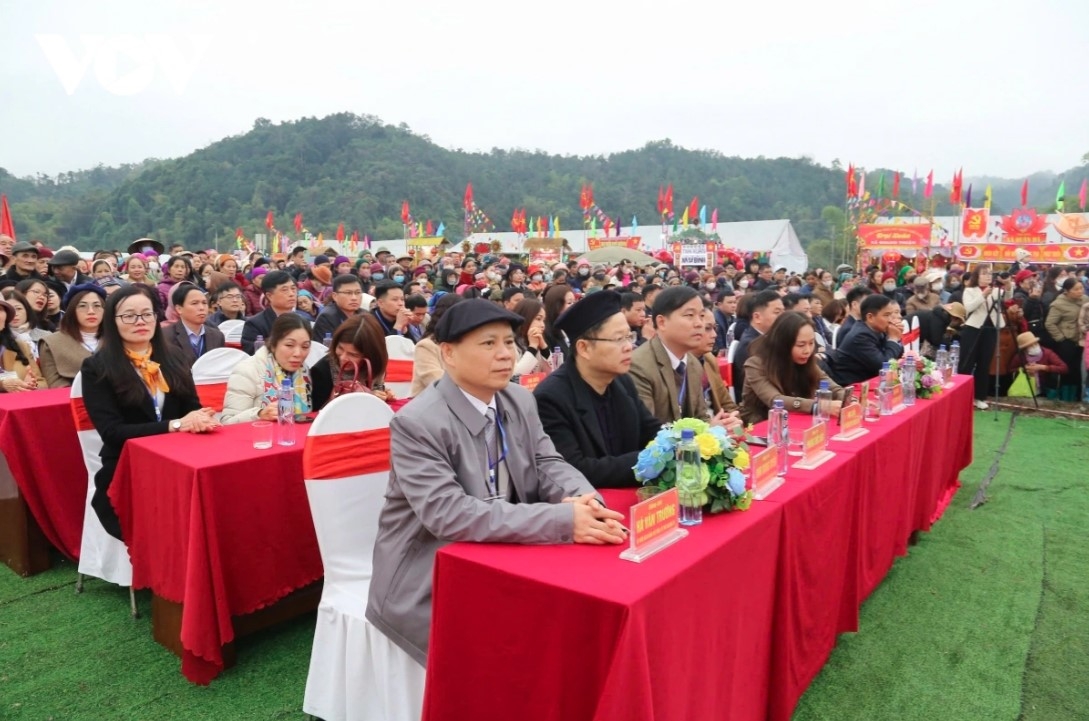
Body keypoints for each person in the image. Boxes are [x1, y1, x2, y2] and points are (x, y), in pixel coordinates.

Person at [366, 299, 627, 666]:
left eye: (509, 342)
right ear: (448, 354)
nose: (505, 354)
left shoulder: (518, 399)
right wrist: (561, 521)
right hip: (431, 567)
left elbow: (547, 462)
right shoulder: (417, 423)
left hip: (503, 547)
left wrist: (584, 500)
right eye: (489, 344)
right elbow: (448, 514)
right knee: (510, 644)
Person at [80, 286, 217, 538]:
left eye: (146, 314)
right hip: (126, 464)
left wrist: (199, 418)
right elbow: (112, 432)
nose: (140, 321)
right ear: (113, 321)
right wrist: (175, 425)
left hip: (179, 459)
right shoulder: (96, 367)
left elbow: (192, 407)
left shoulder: (173, 356)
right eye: (129, 315)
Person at [533, 291, 661, 487]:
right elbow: (574, 468)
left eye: (630, 336)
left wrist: (683, 440)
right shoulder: (551, 397)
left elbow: (651, 430)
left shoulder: (622, 382)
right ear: (584, 348)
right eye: (619, 339)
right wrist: (649, 460)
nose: (629, 347)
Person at [629, 286, 741, 427]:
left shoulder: (693, 363)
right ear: (662, 322)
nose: (699, 323)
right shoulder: (639, 366)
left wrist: (720, 427)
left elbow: (700, 417)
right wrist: (707, 432)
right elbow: (647, 433)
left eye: (701, 316)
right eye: (689, 315)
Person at [741, 311, 849, 425]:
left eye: (811, 343)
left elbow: (833, 388)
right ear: (782, 344)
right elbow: (775, 400)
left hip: (797, 420)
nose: (807, 350)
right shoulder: (755, 365)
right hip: (761, 424)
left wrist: (849, 399)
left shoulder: (806, 361)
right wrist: (818, 406)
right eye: (801, 345)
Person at [222, 313, 313, 424]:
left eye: (305, 346)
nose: (298, 354)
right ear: (274, 345)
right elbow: (227, 421)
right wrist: (259, 414)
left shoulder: (303, 371)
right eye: (289, 345)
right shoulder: (248, 370)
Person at [311, 313, 393, 410]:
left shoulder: (374, 366)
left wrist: (382, 395)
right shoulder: (322, 371)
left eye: (353, 354)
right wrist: (365, 398)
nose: (343, 357)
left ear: (370, 355)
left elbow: (377, 390)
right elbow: (316, 414)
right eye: (340, 348)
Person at [828, 294, 904, 386]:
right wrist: (893, 338)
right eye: (887, 315)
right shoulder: (861, 336)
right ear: (870, 317)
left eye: (892, 315)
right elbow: (884, 366)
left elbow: (897, 356)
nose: (891, 320)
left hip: (869, 382)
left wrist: (896, 337)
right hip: (851, 387)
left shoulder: (878, 329)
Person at [38, 284, 105, 388]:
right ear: (71, 311)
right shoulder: (51, 343)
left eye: (97, 306)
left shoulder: (118, 339)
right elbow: (56, 384)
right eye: (82, 306)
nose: (91, 311)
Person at [959, 265, 1006, 409]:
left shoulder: (995, 290)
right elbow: (969, 308)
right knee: (967, 362)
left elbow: (1007, 297)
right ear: (976, 276)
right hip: (973, 328)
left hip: (990, 328)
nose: (988, 276)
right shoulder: (969, 290)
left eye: (990, 274)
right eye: (984, 274)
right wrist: (983, 295)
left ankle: (980, 397)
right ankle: (962, 394)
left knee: (984, 363)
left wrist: (1008, 285)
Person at [731, 289, 784, 399]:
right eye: (777, 312)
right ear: (757, 317)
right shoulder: (751, 345)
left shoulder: (768, 338)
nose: (783, 317)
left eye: (783, 312)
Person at [1043, 277, 1086, 399]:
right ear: (1067, 291)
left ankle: (1076, 396)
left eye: (1081, 288)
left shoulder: (1085, 300)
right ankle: (1064, 397)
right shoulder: (1058, 304)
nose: (1080, 291)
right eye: (1076, 289)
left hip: (1082, 341)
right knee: (1067, 369)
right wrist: (1061, 338)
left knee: (1078, 370)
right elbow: (1049, 323)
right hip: (1067, 342)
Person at [165, 283, 225, 366]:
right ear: (179, 309)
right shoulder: (166, 336)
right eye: (194, 303)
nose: (201, 307)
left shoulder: (217, 336)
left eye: (204, 303)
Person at [241, 270, 299, 354]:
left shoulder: (302, 321)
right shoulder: (255, 324)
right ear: (269, 296)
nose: (291, 294)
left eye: (293, 288)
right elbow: (252, 355)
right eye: (285, 290)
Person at [1009, 331, 1067, 396]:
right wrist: (1024, 369)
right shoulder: (1020, 356)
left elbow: (1063, 368)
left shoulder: (1048, 353)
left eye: (1035, 344)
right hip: (1026, 388)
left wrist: (1043, 367)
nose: (1034, 347)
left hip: (1045, 388)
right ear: (1024, 348)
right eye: (1030, 346)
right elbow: (1011, 370)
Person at [512, 298, 552, 376]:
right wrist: (532, 347)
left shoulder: (535, 341)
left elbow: (552, 373)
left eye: (543, 320)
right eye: (538, 319)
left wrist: (544, 347)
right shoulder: (510, 343)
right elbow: (516, 376)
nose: (542, 325)